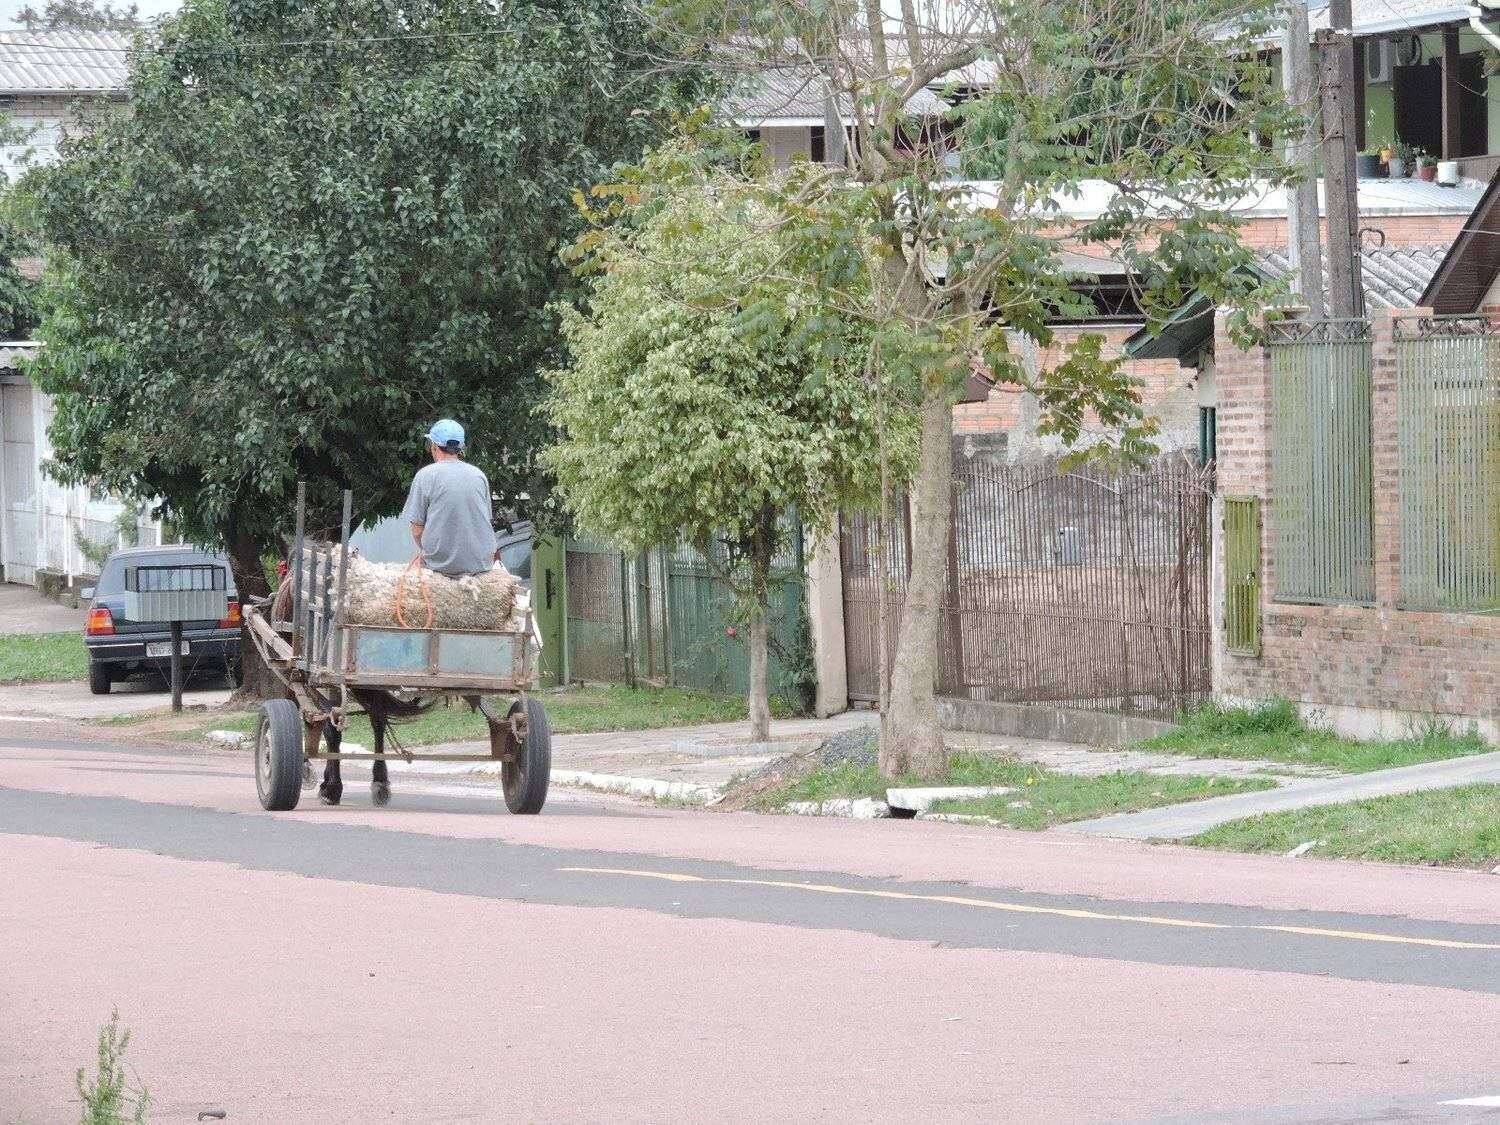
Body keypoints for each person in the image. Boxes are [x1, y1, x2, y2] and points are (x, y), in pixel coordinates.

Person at [400, 419, 496, 578]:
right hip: (481, 564)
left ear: (434, 446)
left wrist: (431, 553)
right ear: (460, 448)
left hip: (441, 566)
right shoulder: (479, 476)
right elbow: (485, 521)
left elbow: (417, 531)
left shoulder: (425, 476)